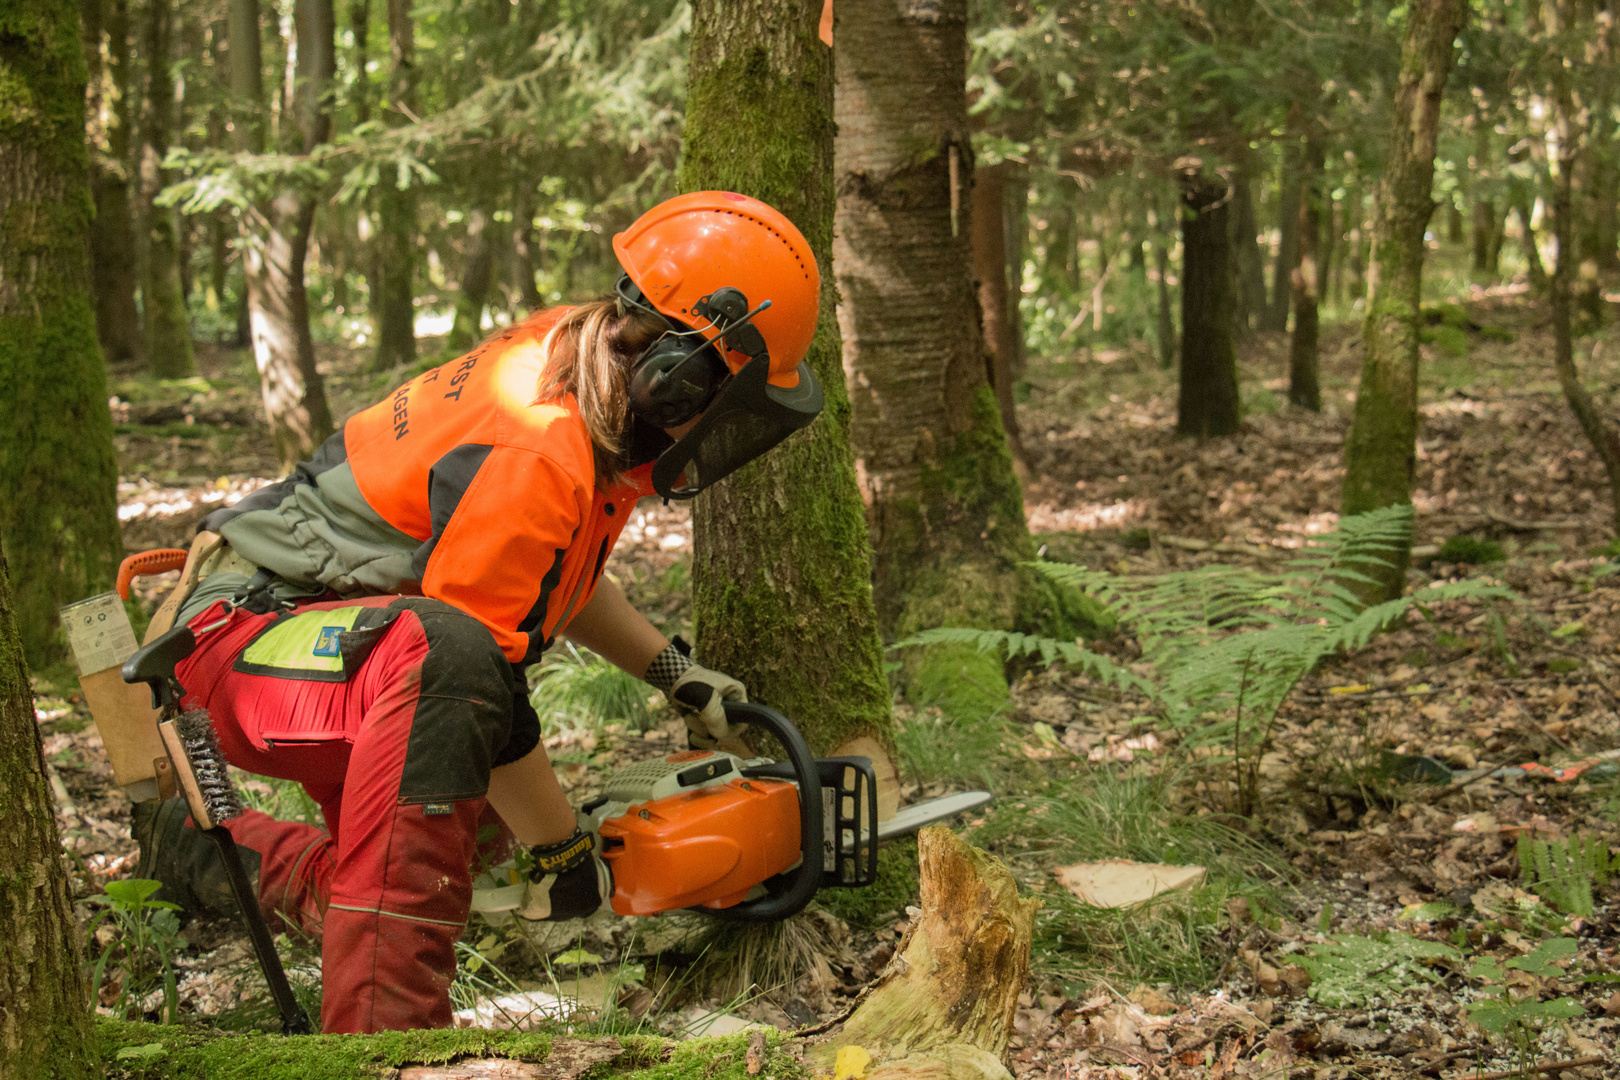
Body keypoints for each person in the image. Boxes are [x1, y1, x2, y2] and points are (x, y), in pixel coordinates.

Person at [130, 191, 825, 1033]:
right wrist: (564, 851)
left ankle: (206, 854)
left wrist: (678, 679)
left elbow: (548, 573)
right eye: (730, 399)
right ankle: (388, 1044)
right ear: (678, 374)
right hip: (247, 642)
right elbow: (467, 673)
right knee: (457, 726)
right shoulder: (541, 446)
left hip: (355, 645)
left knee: (455, 877)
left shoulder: (584, 372)